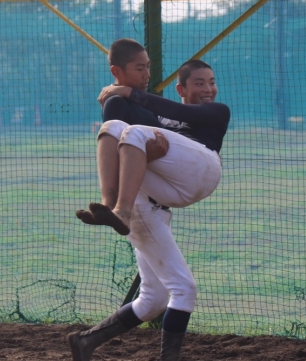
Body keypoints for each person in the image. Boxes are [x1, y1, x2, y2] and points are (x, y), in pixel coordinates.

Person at [67, 43, 230, 361]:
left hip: (200, 173)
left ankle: (120, 210)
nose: (208, 89)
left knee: (136, 132)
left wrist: (128, 92)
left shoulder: (216, 111)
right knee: (153, 299)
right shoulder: (159, 121)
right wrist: (117, 97)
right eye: (199, 83)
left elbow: (181, 114)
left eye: (211, 82)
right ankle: (85, 341)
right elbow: (123, 128)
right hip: (150, 202)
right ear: (181, 89)